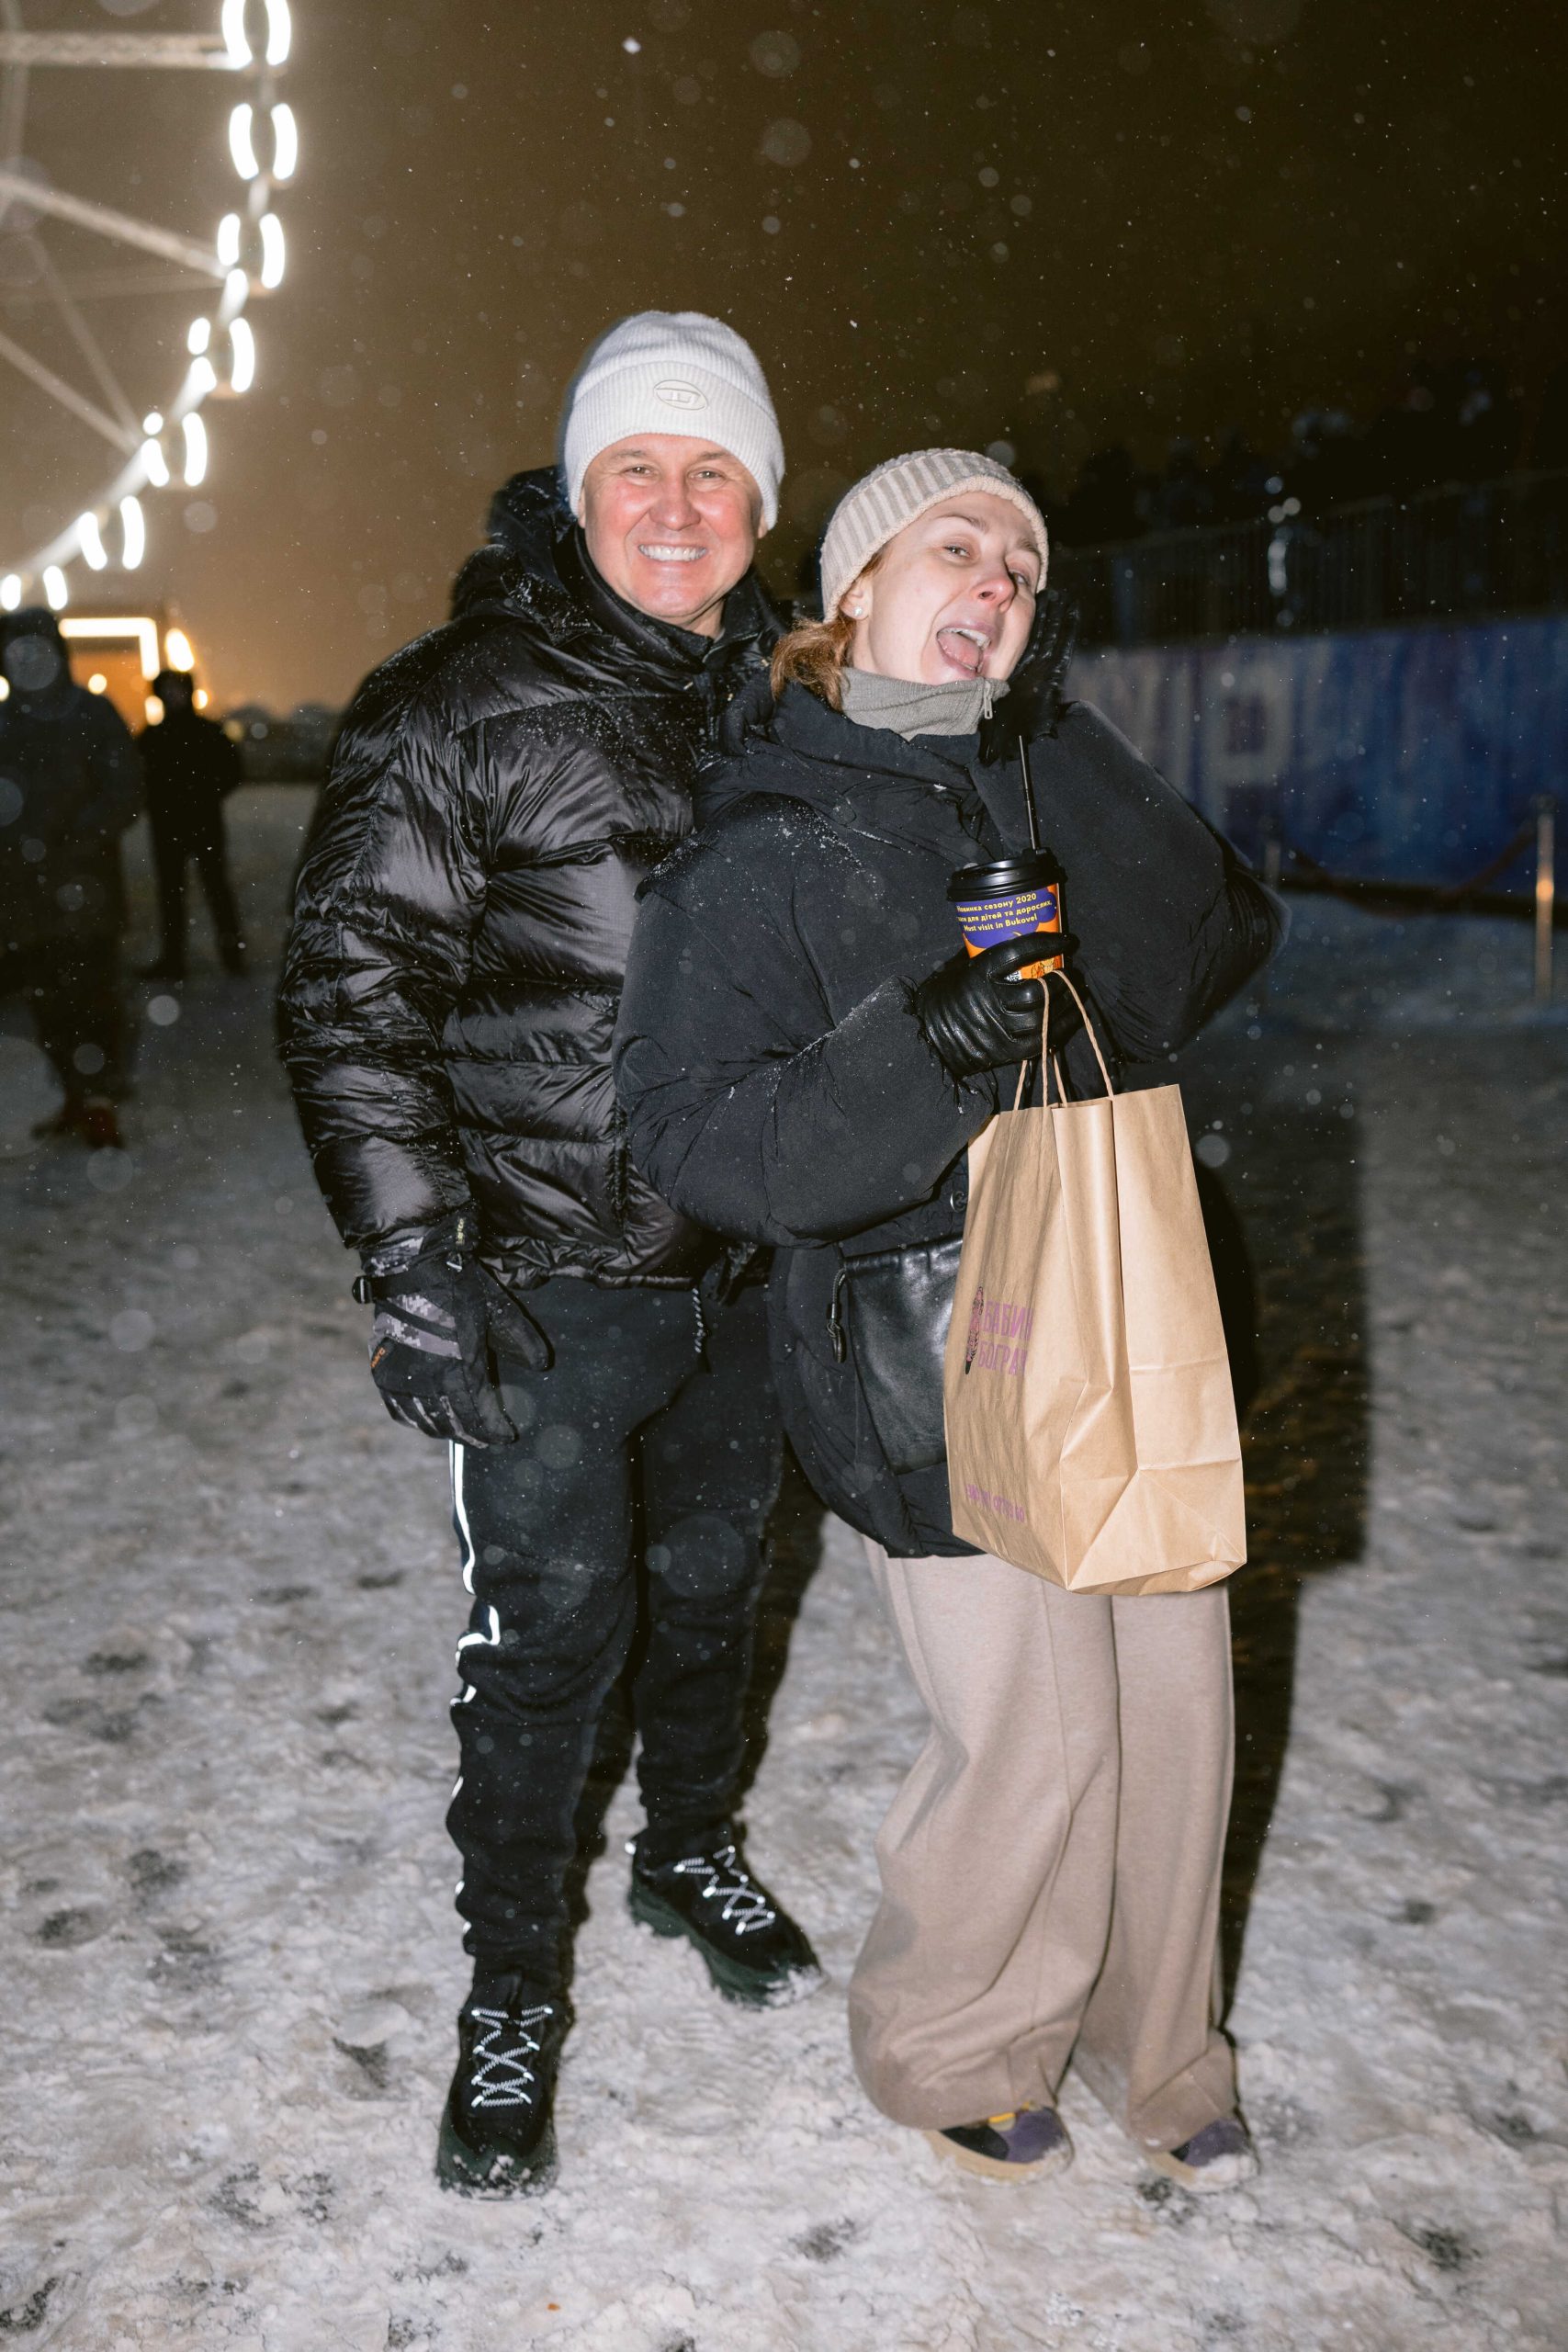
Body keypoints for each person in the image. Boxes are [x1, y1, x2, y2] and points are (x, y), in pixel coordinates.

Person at [615, 449, 1284, 2193]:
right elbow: (696, 1139)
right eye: (955, 546)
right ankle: (956, 2041)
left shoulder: (1034, 770)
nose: (996, 580)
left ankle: (1164, 2047)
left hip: (1124, 1305)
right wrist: (933, 1042)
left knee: (1173, 1712)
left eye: (1022, 568)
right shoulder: (757, 837)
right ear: (853, 590)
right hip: (927, 1346)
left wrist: (1049, 746)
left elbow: (1211, 942)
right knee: (1036, 1734)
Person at [277, 312, 819, 2199]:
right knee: (545, 1643)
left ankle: (687, 1846)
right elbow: (348, 987)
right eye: (635, 466)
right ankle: (511, 1990)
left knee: (713, 1587)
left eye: (713, 468)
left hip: (749, 1270)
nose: (675, 504)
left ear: (760, 499)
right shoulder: (454, 701)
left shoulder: (802, 701)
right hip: (541, 1282)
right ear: (580, 488)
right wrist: (416, 1259)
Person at [0, 607, 141, 1149]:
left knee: (94, 997)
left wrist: (77, 840)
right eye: (17, 654)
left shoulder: (91, 713)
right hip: (25, 895)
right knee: (47, 1001)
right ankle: (73, 1095)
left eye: (37, 652)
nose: (28, 664)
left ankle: (100, 1099)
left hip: (86, 891)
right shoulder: (6, 722)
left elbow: (125, 789)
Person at [139, 668, 246, 979]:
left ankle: (229, 958)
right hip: (175, 826)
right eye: (168, 690)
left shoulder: (202, 733)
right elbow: (138, 779)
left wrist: (204, 795)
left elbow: (233, 772)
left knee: (214, 890)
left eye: (177, 690)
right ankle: (179, 960)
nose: (173, 696)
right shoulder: (155, 736)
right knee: (177, 895)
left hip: (198, 825)